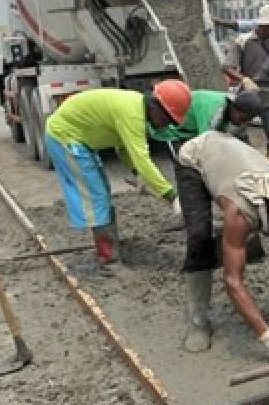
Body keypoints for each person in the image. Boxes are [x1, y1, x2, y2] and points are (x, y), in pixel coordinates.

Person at [175, 131, 269, 357]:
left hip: (232, 153)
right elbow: (233, 280)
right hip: (196, 158)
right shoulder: (239, 215)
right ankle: (198, 320)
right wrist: (266, 334)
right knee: (200, 240)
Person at [43, 81, 192, 273]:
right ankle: (108, 260)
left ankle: (109, 249)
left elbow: (123, 149)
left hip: (79, 138)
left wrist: (136, 175)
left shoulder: (135, 107)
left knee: (102, 193)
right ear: (156, 106)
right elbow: (142, 159)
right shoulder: (132, 114)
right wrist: (170, 195)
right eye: (167, 119)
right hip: (64, 136)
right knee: (97, 197)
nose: (165, 125)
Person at [213, 0, 269, 164]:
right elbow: (226, 67)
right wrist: (244, 79)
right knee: (233, 135)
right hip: (247, 94)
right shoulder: (243, 41)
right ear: (264, 24)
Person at [148, 88, 263, 146]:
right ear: (234, 108)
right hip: (166, 128)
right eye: (242, 119)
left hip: (188, 131)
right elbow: (206, 143)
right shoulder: (213, 112)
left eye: (247, 121)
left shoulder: (231, 105)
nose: (243, 124)